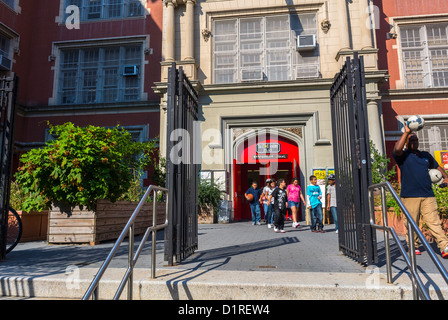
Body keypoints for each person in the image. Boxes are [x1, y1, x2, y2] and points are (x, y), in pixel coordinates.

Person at [393, 124, 448, 258]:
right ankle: (413, 246)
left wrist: (446, 178)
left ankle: (444, 246)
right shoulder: (403, 156)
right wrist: (406, 132)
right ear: (406, 142)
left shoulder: (425, 155)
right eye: (411, 140)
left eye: (416, 140)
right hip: (410, 196)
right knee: (412, 222)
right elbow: (397, 149)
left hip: (428, 195)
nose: (414, 142)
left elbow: (437, 166)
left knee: (434, 222)